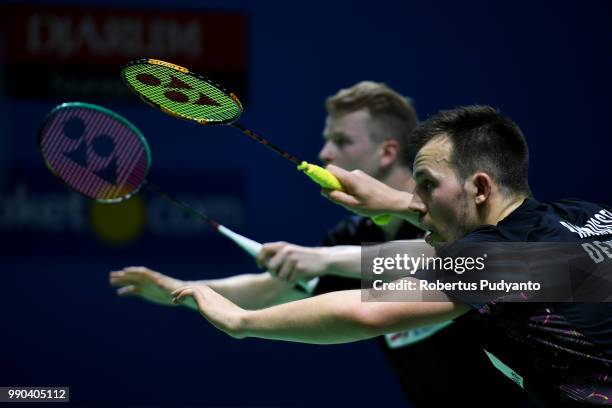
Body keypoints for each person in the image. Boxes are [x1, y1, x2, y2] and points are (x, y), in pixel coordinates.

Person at [110, 88, 529, 407]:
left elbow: (393, 289)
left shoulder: (491, 248)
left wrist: (245, 319)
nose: (326, 152)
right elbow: (277, 286)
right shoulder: (356, 235)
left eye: (342, 141)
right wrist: (181, 290)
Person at [170, 106, 612, 407]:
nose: (414, 196)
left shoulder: (501, 262)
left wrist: (241, 322)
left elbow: (366, 314)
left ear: (479, 187)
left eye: (426, 183)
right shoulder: (580, 216)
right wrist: (328, 256)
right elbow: (430, 254)